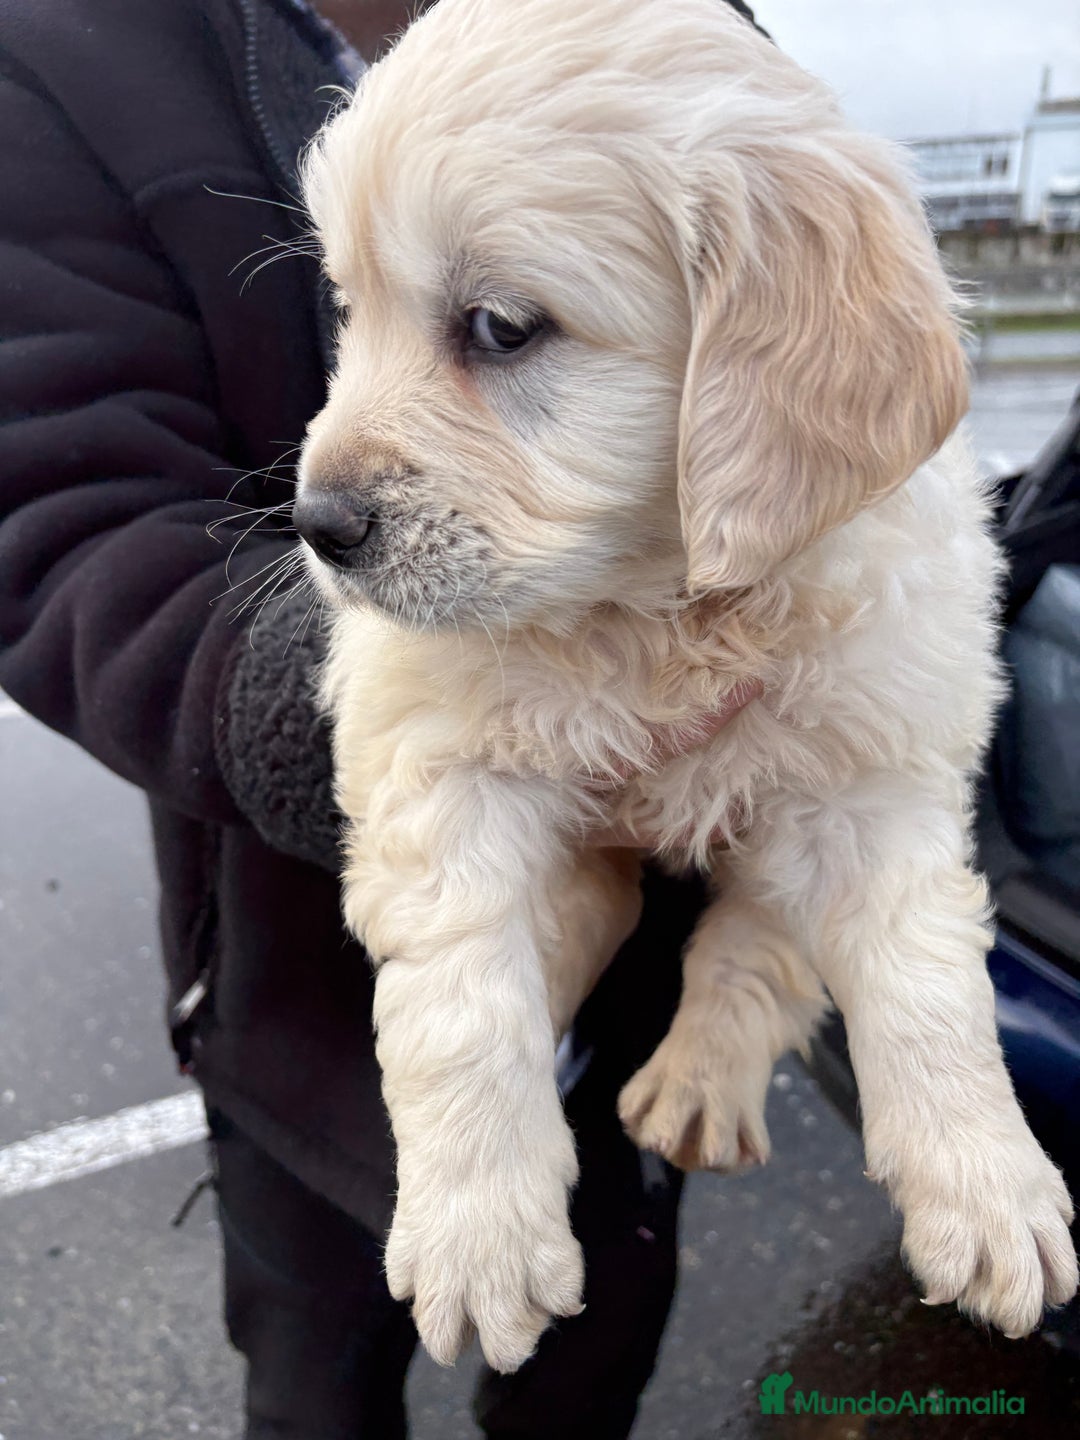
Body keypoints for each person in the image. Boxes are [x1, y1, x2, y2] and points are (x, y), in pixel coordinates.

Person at [0, 2, 762, 1435]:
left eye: (501, 325)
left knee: (586, 1369)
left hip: (644, 983)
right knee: (318, 1397)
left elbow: (793, 378)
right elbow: (62, 515)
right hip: (305, 1004)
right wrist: (428, 717)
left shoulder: (672, 30)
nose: (324, 481)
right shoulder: (66, 45)